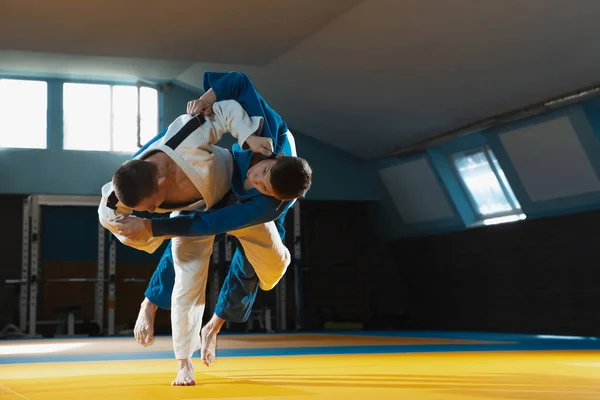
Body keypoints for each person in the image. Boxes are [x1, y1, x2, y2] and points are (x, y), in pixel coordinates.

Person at [99, 91, 311, 386]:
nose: (150, 211)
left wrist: (246, 135)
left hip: (234, 201)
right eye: (261, 174)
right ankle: (183, 361)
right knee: (187, 271)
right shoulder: (120, 191)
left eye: (150, 205)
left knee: (273, 266)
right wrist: (134, 232)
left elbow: (226, 111)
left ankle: (214, 323)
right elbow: (110, 215)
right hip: (196, 210)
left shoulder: (263, 199)